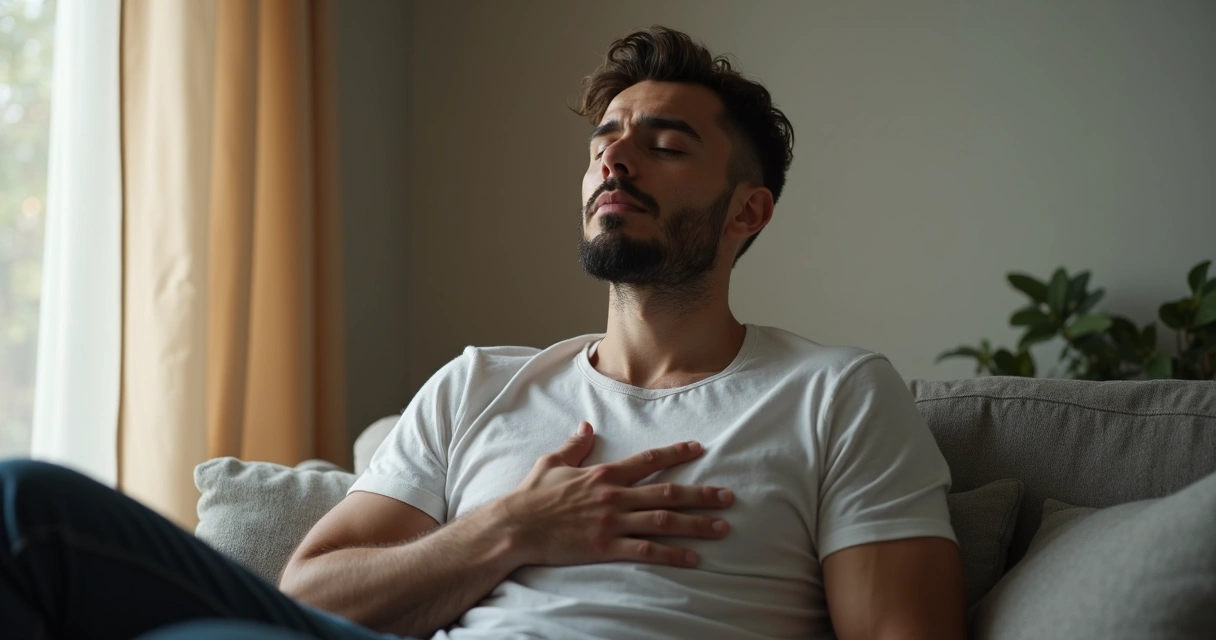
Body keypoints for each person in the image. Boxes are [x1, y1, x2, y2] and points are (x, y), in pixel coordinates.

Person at [0, 25, 965, 640]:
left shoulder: (835, 394)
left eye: (665, 143)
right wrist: (508, 529)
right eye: (605, 139)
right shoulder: (481, 385)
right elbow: (313, 596)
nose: (615, 156)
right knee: (28, 507)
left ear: (747, 214)